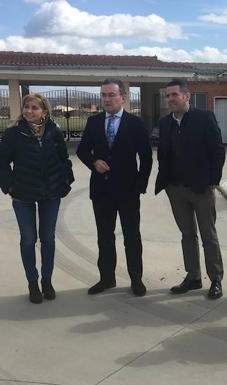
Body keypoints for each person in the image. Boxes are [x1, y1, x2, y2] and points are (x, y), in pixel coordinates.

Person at [0, 93, 74, 304]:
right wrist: (10, 186)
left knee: (47, 238)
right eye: (26, 107)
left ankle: (47, 280)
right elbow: (0, 163)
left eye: (34, 108)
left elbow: (64, 159)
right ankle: (32, 282)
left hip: (51, 194)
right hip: (23, 196)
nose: (29, 111)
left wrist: (65, 182)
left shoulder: (54, 131)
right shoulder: (13, 134)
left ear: (44, 112)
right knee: (28, 239)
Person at [77, 79, 152, 297]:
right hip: (101, 191)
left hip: (128, 191)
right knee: (104, 237)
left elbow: (146, 158)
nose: (107, 99)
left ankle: (136, 279)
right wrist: (94, 162)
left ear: (123, 97)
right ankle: (107, 279)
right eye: (103, 95)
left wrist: (140, 186)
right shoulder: (93, 122)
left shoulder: (135, 123)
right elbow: (82, 150)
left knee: (131, 237)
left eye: (111, 95)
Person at [155, 78, 226, 299]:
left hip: (200, 188)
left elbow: (217, 151)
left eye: (174, 95)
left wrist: (214, 179)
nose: (170, 99)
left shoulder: (204, 118)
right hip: (176, 190)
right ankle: (193, 277)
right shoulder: (165, 123)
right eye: (168, 96)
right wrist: (166, 183)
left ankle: (215, 278)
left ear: (187, 96)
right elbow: (163, 154)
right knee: (187, 234)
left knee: (208, 235)